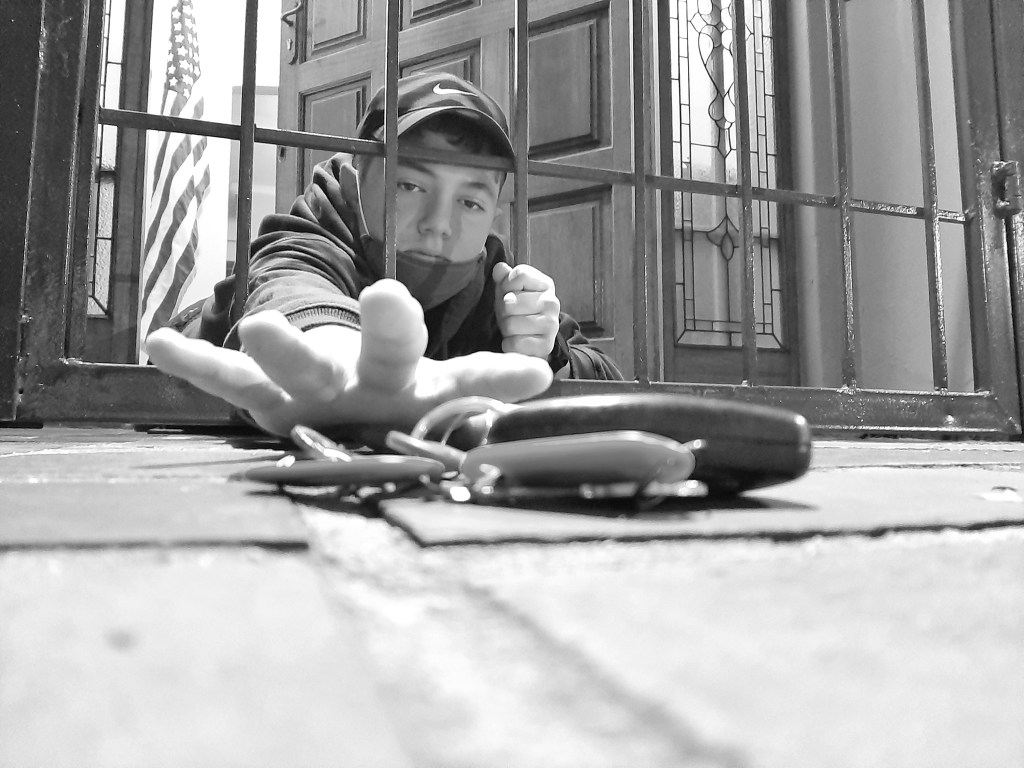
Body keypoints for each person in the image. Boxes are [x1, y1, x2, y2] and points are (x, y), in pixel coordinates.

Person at [146, 71, 622, 438]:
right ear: (356, 178)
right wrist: (338, 357)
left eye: (470, 202)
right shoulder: (311, 235)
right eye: (409, 186)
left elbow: (610, 379)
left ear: (495, 214)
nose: (439, 222)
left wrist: (548, 352)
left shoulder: (497, 281)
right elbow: (292, 286)